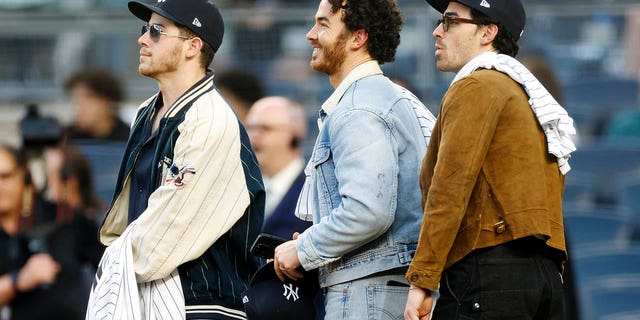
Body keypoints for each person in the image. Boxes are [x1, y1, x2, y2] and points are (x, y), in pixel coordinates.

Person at [87, 0, 265, 319]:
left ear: (193, 46)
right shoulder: (146, 112)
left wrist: (111, 269)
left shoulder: (210, 120)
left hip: (204, 305)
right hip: (144, 295)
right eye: (145, 29)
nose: (143, 39)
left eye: (157, 31)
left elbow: (161, 244)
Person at [404, 1, 577, 319]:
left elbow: (449, 189)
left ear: (488, 32)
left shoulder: (477, 85)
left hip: (489, 274)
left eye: (450, 21)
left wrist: (423, 279)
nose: (437, 31)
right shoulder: (527, 96)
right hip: (545, 278)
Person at [272, 0, 436, 318]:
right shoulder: (383, 96)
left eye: (323, 24)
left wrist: (303, 249)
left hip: (368, 293)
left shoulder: (359, 107)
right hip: (383, 287)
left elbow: (367, 212)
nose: (310, 34)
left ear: (357, 38)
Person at [0, 144, 101, 320]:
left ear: (23, 174)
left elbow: (111, 270)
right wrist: (17, 281)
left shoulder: (63, 217)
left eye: (5, 176)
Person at [245, 96, 312, 239]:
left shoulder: (315, 192)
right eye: (250, 128)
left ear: (294, 135)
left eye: (265, 128)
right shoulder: (241, 190)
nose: (254, 136)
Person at [63, 68, 130, 142]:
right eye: (76, 101)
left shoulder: (131, 140)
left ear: (108, 102)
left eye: (87, 99)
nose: (79, 107)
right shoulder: (66, 139)